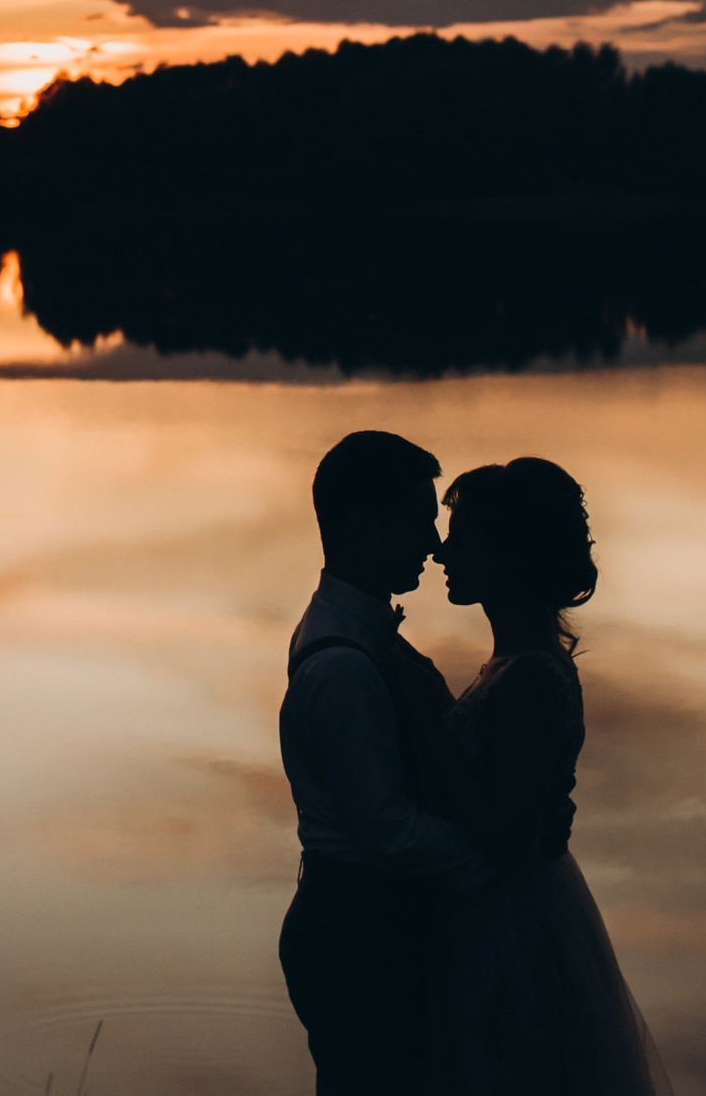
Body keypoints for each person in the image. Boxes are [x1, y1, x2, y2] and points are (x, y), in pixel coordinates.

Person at [434, 458, 673, 1096]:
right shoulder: (517, 662)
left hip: (514, 928)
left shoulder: (531, 679)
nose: (441, 551)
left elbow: (508, 838)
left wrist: (429, 733)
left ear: (508, 552)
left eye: (462, 537)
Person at [278, 430, 494, 1096]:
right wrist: (497, 855)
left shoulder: (350, 635)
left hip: (363, 926)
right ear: (361, 522)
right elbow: (387, 829)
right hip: (359, 937)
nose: (433, 542)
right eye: (418, 517)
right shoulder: (344, 664)